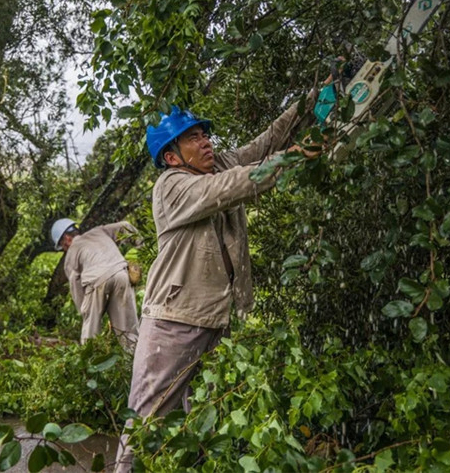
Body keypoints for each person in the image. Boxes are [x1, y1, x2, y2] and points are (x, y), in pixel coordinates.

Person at [114, 90, 318, 472]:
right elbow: (230, 186)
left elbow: (266, 142)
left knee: (205, 417)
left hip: (214, 317)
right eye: (193, 137)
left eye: (204, 134)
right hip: (174, 321)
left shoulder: (218, 165)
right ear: (172, 157)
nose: (205, 141)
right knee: (146, 422)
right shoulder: (172, 186)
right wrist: (290, 160)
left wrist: (312, 100)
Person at [51, 218, 140, 353]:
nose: (64, 249)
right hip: (121, 274)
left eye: (63, 246)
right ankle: (135, 362)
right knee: (129, 331)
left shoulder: (70, 254)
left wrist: (85, 311)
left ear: (67, 239)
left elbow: (75, 284)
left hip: (97, 281)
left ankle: (89, 364)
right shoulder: (100, 231)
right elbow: (126, 226)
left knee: (90, 334)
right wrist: (140, 247)